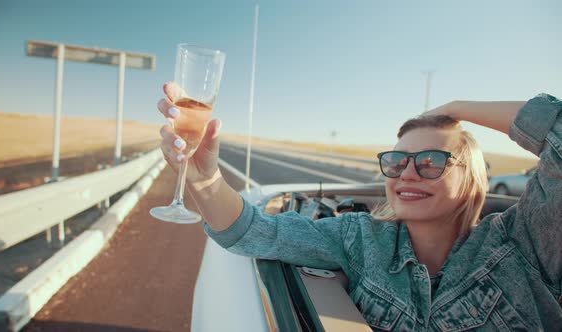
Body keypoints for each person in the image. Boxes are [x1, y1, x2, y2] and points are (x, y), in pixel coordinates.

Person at [157, 82, 562, 330]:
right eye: (396, 161)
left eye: (430, 162)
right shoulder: (359, 239)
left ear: (471, 176)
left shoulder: (524, 244)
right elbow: (251, 231)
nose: (407, 174)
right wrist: (201, 175)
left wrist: (455, 108)